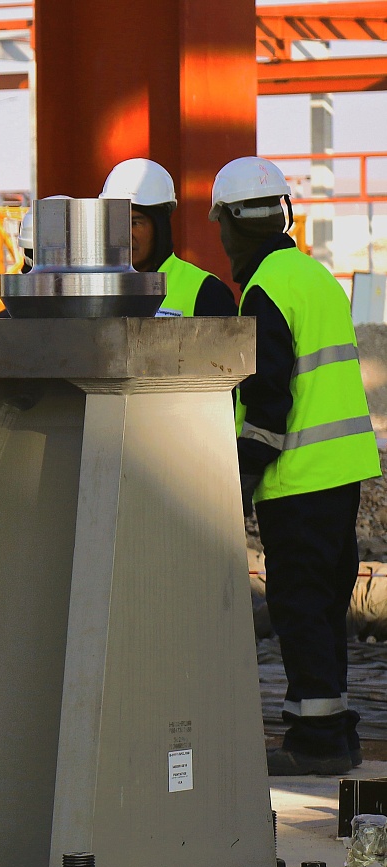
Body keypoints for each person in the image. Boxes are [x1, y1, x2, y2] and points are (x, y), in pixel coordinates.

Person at [213, 155, 380, 776]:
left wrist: (239, 479)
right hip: (340, 474)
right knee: (325, 605)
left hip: (299, 480)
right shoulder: (314, 276)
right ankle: (333, 729)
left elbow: (268, 401)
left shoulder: (264, 292)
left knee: (300, 607)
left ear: (229, 224)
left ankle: (316, 745)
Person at [100, 158, 236, 317]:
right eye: (116, 222)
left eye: (134, 223)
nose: (123, 234)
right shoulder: (93, 289)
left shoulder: (206, 291)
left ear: (160, 227)